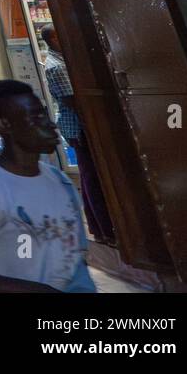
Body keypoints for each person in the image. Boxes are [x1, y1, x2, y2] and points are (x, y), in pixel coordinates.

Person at [0, 79, 97, 293]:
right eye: (36, 117)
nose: (50, 124)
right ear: (5, 125)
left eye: (44, 114)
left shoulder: (60, 181)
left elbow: (74, 257)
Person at [40, 25, 115, 245]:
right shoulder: (57, 66)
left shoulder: (63, 61)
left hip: (79, 126)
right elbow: (72, 99)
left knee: (89, 175)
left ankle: (98, 227)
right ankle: (105, 229)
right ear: (54, 38)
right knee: (93, 177)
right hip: (79, 126)